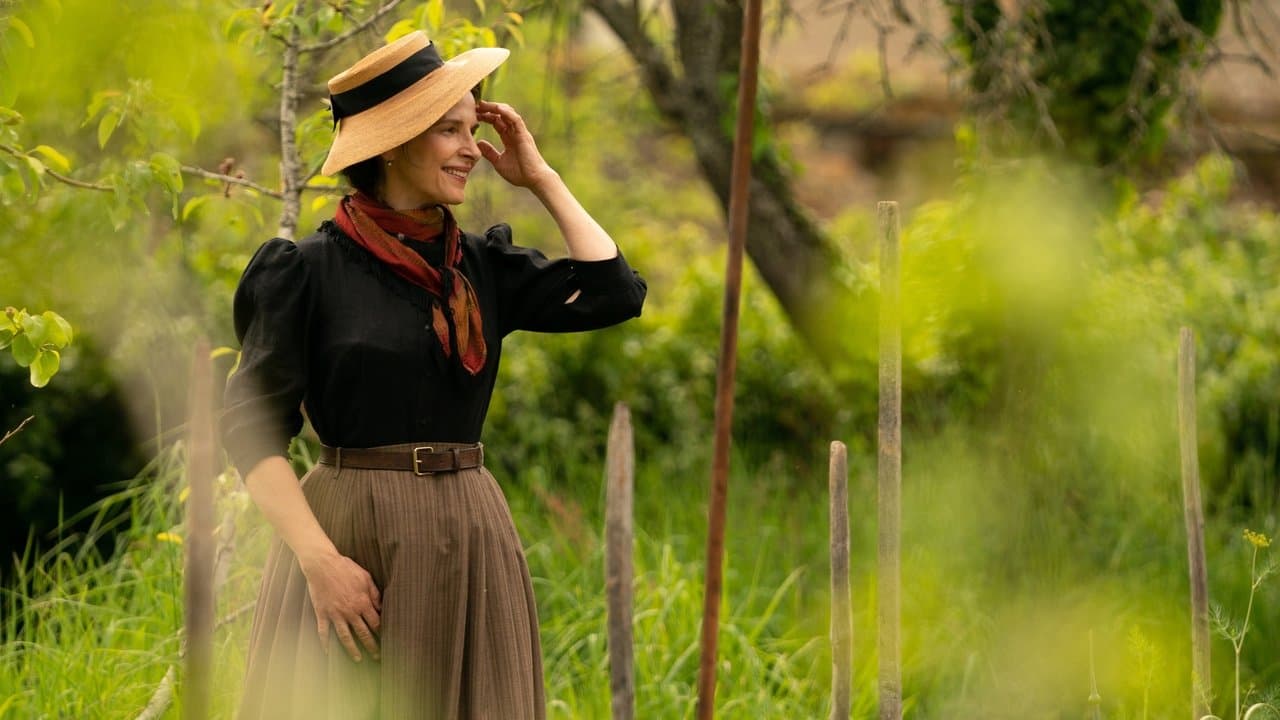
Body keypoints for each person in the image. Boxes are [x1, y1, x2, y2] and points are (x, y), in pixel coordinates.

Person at [221, 31, 647, 719]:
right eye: (450, 131)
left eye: (471, 129)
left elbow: (615, 292)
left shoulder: (481, 267)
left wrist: (541, 177)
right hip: (350, 535)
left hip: (472, 532)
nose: (471, 150)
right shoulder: (305, 272)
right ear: (395, 142)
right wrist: (319, 563)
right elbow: (251, 433)